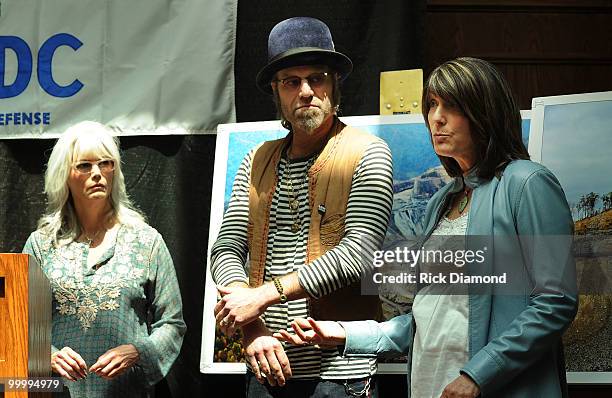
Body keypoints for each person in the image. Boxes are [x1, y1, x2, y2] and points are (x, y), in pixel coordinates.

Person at [274, 57, 578, 398]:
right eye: (432, 105)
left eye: (452, 105)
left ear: (486, 111)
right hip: (430, 387)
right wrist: (343, 333)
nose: (437, 117)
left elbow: (556, 302)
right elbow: (424, 319)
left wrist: (477, 376)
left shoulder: (528, 183)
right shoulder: (442, 201)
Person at [210, 17, 394, 397]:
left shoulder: (368, 152)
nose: (306, 91)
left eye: (317, 78)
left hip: (341, 373)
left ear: (334, 85)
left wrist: (262, 295)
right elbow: (227, 247)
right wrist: (252, 327)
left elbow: (358, 255)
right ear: (276, 93)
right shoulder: (256, 159)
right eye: (292, 82)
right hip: (265, 364)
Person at [23, 121, 186, 397]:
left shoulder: (146, 241)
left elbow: (172, 322)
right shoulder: (41, 245)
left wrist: (138, 351)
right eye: (84, 165)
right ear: (64, 175)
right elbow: (17, 323)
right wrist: (45, 355)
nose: (97, 173)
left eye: (106, 163)